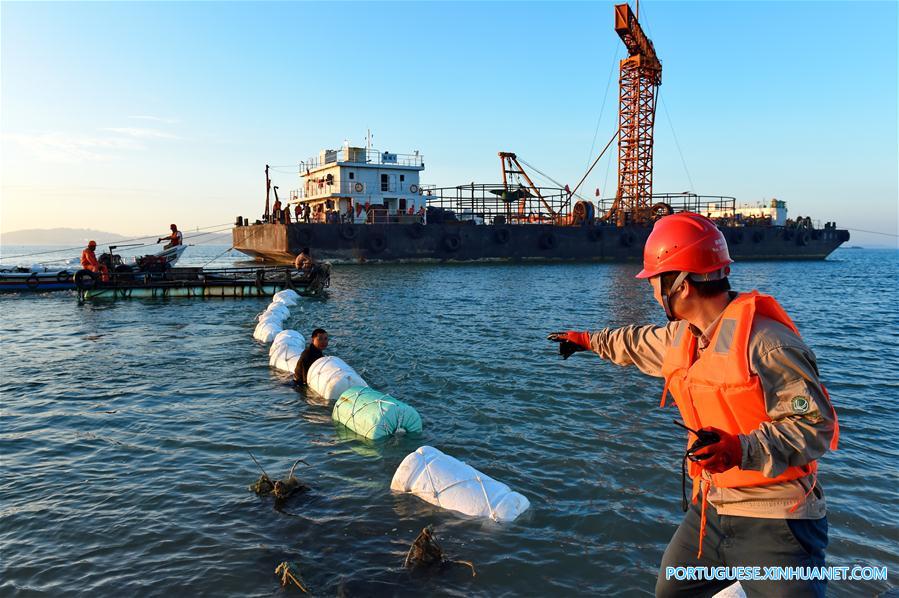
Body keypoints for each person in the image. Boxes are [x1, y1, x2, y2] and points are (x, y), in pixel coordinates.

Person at [549, 212, 838, 597]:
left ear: (680, 284)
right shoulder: (683, 336)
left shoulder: (768, 343)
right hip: (712, 512)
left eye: (655, 280)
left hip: (777, 519)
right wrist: (588, 340)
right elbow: (634, 342)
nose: (653, 291)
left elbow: (813, 427)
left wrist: (740, 448)